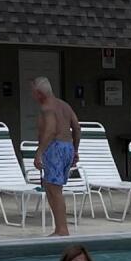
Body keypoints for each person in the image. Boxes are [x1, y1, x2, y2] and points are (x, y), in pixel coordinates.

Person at [31, 76, 82, 238]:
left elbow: (51, 130)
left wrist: (39, 152)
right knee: (50, 186)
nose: (32, 95)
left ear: (40, 93)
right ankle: (59, 228)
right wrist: (75, 150)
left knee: (54, 189)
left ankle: (62, 229)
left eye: (33, 92)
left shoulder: (47, 108)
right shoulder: (64, 105)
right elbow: (77, 127)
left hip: (55, 148)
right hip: (67, 147)